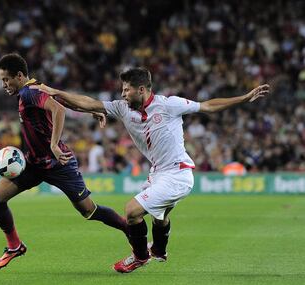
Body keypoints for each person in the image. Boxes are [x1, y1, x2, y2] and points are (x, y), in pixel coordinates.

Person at [30, 67, 270, 273]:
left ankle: (139, 256)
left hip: (177, 173)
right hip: (158, 173)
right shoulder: (124, 109)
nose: (123, 94)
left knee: (132, 211)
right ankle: (159, 251)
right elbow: (88, 102)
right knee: (161, 216)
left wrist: (243, 98)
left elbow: (207, 106)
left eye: (126, 89)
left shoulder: (169, 104)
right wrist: (56, 93)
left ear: (141, 90)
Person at [0, 53, 127, 269]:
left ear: (19, 75)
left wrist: (54, 144)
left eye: (6, 79)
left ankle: (131, 230)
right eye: (2, 80)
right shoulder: (36, 87)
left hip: (58, 163)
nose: (4, 84)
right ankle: (15, 246)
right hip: (33, 164)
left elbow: (58, 109)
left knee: (89, 211)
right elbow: (61, 100)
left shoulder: (27, 93)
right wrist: (91, 109)